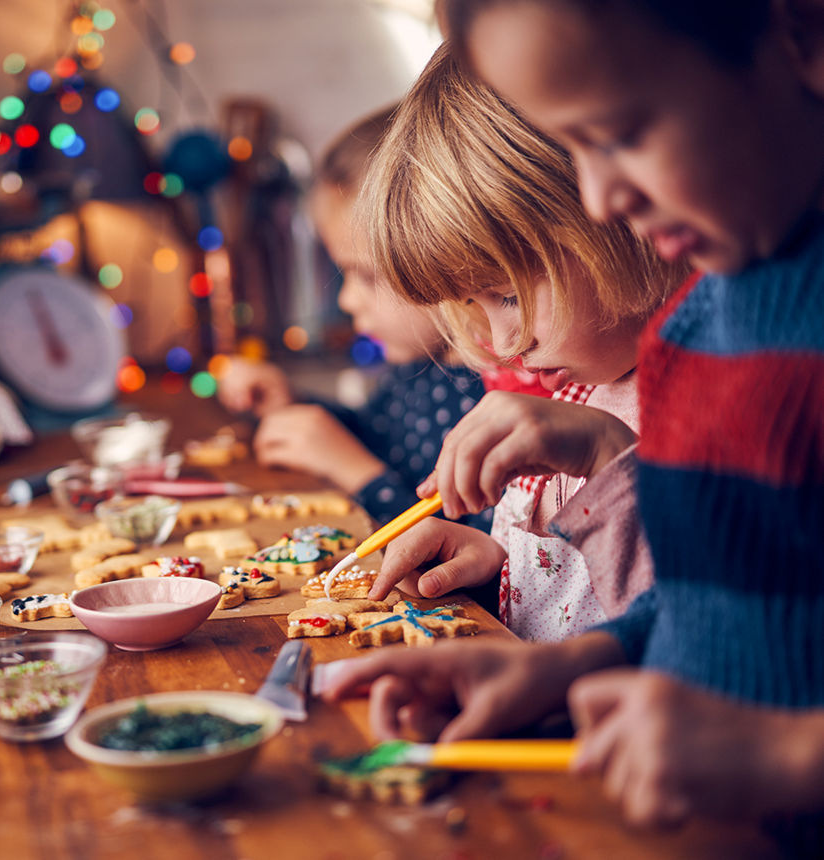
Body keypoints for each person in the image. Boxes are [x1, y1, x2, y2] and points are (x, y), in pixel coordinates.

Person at [323, 0, 824, 839]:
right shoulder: (703, 324)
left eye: (620, 134)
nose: (600, 197)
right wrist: (567, 670)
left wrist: (784, 757)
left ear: (802, 35)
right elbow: (719, 605)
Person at [356, 45, 685, 640]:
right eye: (472, 305)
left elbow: (699, 632)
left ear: (613, 217)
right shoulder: (579, 386)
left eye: (507, 295)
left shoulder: (701, 403)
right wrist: (494, 564)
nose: (503, 345)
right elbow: (578, 592)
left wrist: (608, 458)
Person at [218, 105, 494, 533]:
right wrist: (292, 405)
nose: (347, 300)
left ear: (451, 259)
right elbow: (378, 438)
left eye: (366, 275)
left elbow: (467, 552)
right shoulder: (419, 369)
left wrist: (361, 477)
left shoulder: (493, 402)